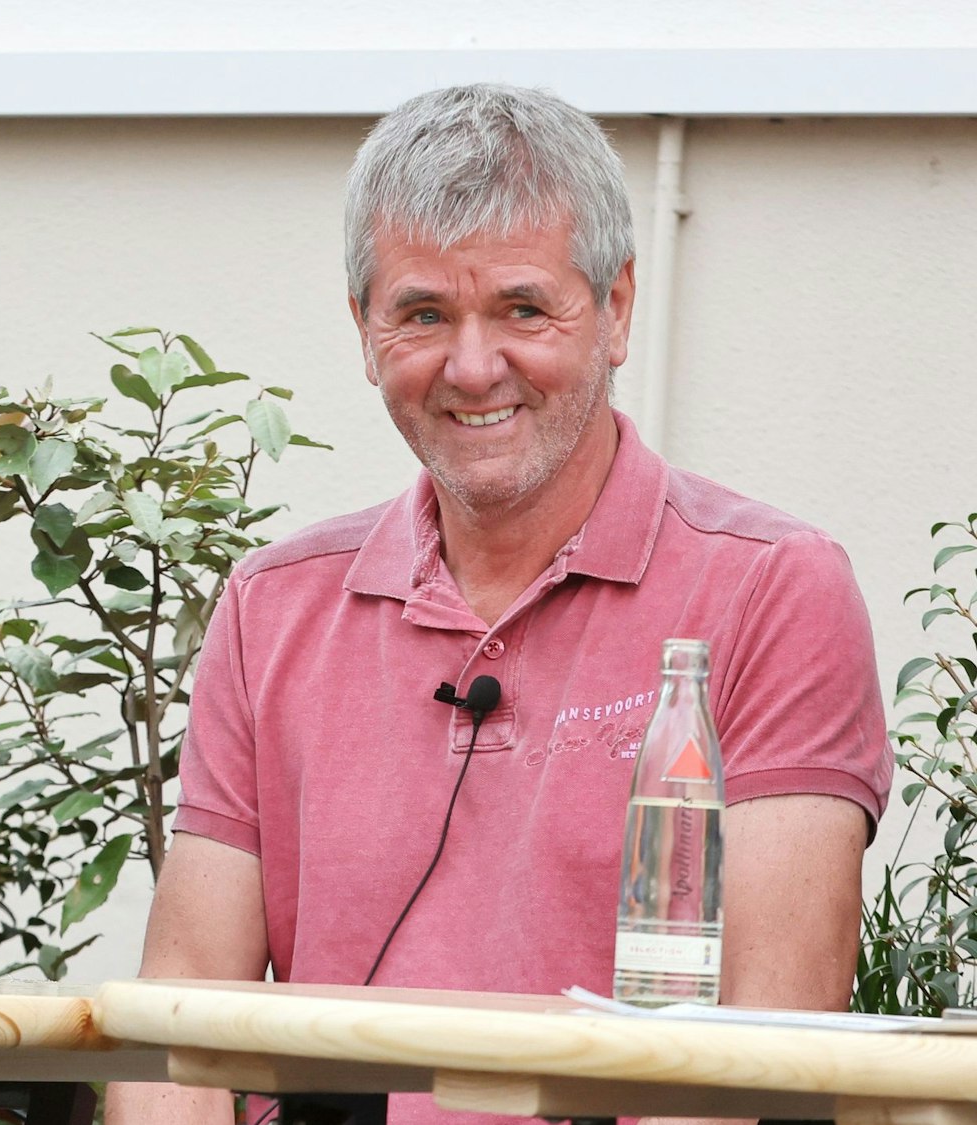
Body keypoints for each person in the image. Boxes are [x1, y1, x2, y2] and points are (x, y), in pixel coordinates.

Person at [107, 83, 892, 1125]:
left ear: (613, 310)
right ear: (361, 328)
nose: (471, 368)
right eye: (422, 314)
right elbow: (178, 1031)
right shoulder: (270, 607)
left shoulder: (770, 589)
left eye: (522, 308)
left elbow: (755, 1055)